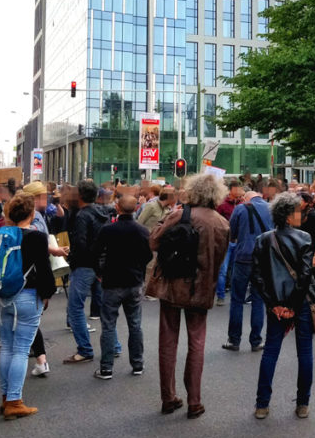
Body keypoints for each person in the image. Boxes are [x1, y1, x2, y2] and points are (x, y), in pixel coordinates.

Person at [147, 173, 229, 418]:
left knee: (168, 340)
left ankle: (168, 397)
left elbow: (153, 241)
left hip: (172, 285)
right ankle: (195, 400)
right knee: (197, 342)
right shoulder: (221, 223)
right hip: (201, 288)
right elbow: (220, 261)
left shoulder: (179, 214)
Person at [251, 192, 315, 420]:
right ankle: (303, 403)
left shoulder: (263, 240)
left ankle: (262, 404)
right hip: (300, 303)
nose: (301, 214)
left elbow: (257, 277)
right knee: (305, 352)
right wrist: (293, 305)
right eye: (297, 211)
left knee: (270, 351)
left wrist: (274, 304)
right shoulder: (305, 238)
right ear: (288, 216)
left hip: (275, 303)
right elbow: (306, 275)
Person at [0, 193, 55, 420]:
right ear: (31, 214)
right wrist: (47, 293)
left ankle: (5, 397)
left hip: (1, 297)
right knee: (21, 349)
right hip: (27, 295)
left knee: (7, 347)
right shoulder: (36, 238)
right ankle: (14, 401)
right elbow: (44, 269)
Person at [92, 195, 152, 380]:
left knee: (109, 325)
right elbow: (148, 255)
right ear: (136, 209)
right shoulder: (142, 230)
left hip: (112, 281)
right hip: (134, 281)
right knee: (135, 324)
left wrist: (99, 272)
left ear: (117, 208)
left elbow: (96, 253)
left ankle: (107, 368)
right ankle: (137, 364)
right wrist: (139, 270)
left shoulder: (108, 230)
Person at [62, 180, 111, 364]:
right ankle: (113, 346)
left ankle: (84, 349)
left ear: (80, 196)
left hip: (84, 266)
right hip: (100, 264)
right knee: (107, 309)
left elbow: (81, 243)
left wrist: (72, 255)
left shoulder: (82, 216)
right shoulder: (102, 212)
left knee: (75, 308)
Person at [223, 189, 272, 352]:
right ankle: (256, 341)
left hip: (243, 257)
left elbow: (232, 234)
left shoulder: (241, 208)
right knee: (258, 300)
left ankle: (234, 340)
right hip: (263, 259)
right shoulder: (270, 208)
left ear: (246, 198)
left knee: (237, 300)